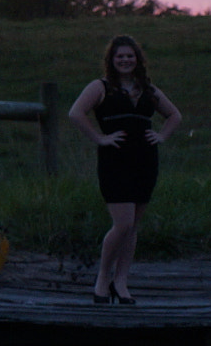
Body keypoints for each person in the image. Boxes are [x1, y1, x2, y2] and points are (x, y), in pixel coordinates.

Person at [69, 35, 182, 305]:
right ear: (112, 60)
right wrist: (99, 138)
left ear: (137, 59)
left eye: (129, 56)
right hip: (115, 161)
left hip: (144, 161)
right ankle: (102, 279)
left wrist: (162, 136)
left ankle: (121, 283)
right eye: (120, 56)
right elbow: (75, 113)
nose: (125, 60)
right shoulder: (101, 87)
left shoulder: (148, 89)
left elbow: (175, 116)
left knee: (133, 228)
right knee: (123, 224)